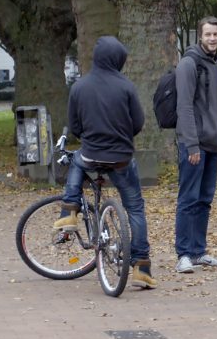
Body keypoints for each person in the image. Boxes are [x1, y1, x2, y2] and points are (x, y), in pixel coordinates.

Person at [51, 36, 157, 290]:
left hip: (91, 154)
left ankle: (68, 210)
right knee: (135, 208)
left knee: (78, 159)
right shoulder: (126, 86)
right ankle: (142, 266)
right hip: (121, 157)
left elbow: (75, 126)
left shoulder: (79, 87)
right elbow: (138, 123)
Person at [173, 16, 217, 273]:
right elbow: (184, 107)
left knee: (204, 200)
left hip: (213, 144)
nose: (212, 39)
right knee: (188, 198)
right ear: (200, 36)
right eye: (207, 34)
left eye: (216, 34)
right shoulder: (189, 64)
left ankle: (198, 251)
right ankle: (183, 253)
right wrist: (192, 145)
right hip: (193, 145)